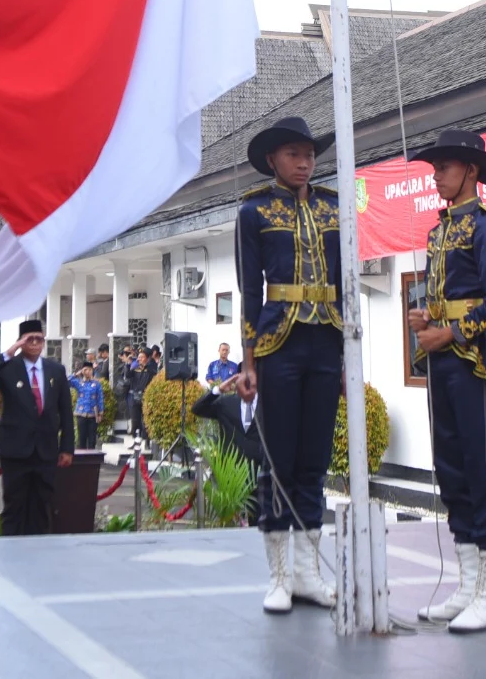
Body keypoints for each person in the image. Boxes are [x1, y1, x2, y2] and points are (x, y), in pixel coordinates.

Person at [406, 129, 486, 634]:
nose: (436, 177)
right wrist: (422, 321)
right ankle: (467, 586)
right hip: (443, 361)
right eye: (434, 170)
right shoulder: (437, 231)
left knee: (481, 470)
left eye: (443, 168)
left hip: (474, 361)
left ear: (470, 171)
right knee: (450, 468)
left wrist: (449, 331)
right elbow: (442, 295)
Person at [236, 115, 342, 615]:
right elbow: (248, 290)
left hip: (326, 341)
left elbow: (347, 275)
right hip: (278, 344)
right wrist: (249, 359)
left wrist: (349, 353)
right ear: (273, 160)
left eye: (310, 155)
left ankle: (308, 574)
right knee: (278, 461)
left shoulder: (333, 207)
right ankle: (279, 576)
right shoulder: (254, 211)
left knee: (314, 461)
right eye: (294, 155)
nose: (305, 163)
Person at [0, 320, 74, 536]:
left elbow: (65, 411)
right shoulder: (9, 368)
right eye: (30, 339)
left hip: (45, 450)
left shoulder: (55, 370)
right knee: (14, 506)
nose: (35, 344)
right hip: (15, 451)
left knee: (41, 506)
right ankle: (11, 553)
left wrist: (67, 448)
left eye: (39, 339)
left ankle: (37, 555)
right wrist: (9, 352)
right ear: (21, 342)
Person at [192, 375, 263, 522]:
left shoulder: (269, 404)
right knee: (230, 519)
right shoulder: (226, 403)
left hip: (259, 470)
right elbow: (198, 409)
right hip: (231, 470)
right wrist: (218, 390)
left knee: (257, 520)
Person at [72, 363, 104, 450]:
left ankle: (92, 460)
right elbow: (66, 381)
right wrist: (75, 374)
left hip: (93, 414)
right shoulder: (78, 382)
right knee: (81, 438)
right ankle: (82, 460)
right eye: (85, 370)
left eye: (90, 370)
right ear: (82, 371)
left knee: (92, 439)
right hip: (81, 413)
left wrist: (100, 413)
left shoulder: (96, 384)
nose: (88, 372)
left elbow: (100, 398)